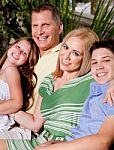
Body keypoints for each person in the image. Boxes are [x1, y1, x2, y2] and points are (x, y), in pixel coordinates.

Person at [0, 27, 99, 150]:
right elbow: (36, 124)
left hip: (68, 144)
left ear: (86, 59)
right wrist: (10, 109)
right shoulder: (49, 81)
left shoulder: (91, 79)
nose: (66, 56)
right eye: (66, 47)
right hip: (41, 142)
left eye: (75, 53)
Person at [35, 39, 114, 150]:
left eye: (106, 60)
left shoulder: (111, 94)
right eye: (94, 62)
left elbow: (103, 142)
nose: (99, 66)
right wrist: (59, 144)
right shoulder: (97, 90)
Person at [0, 37, 39, 139]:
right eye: (18, 46)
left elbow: (17, 103)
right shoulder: (2, 70)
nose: (19, 52)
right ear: (11, 46)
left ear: (26, 62)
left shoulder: (11, 71)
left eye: (24, 53)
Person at [29, 3, 63, 113]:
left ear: (59, 27)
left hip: (31, 126)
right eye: (35, 26)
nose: (39, 31)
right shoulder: (26, 53)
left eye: (45, 25)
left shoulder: (66, 55)